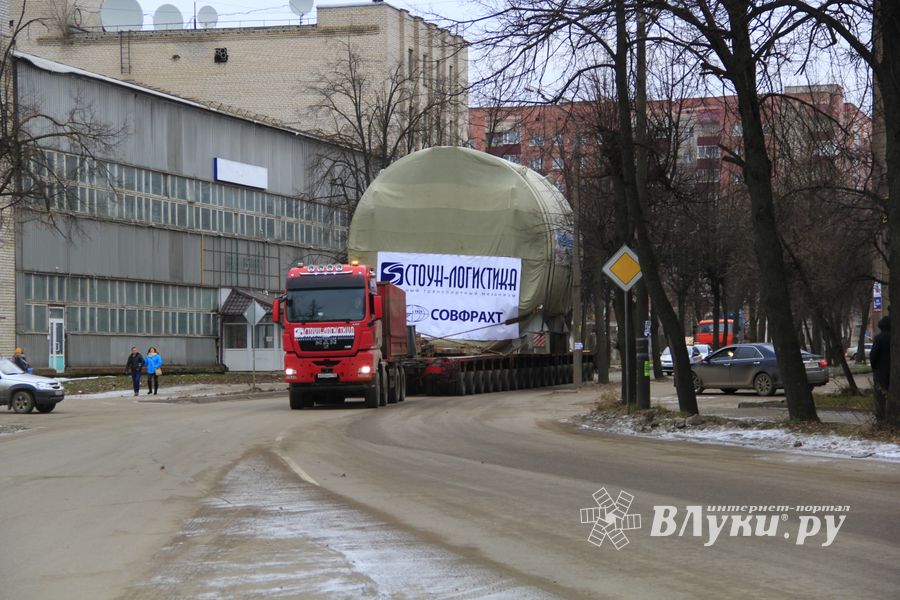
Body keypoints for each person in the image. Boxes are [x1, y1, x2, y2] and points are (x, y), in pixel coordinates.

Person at [870, 315, 890, 421]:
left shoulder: (878, 338)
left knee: (880, 395)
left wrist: (874, 369)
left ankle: (881, 417)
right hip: (892, 371)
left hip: (880, 371)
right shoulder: (894, 338)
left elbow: (873, 356)